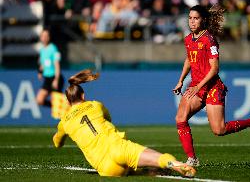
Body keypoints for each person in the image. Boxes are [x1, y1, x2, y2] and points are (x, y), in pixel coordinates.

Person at [172, 5, 250, 167]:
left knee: (219, 130)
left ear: (203, 20)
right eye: (190, 18)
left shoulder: (209, 39)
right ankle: (192, 159)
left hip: (212, 87)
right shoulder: (189, 39)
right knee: (180, 119)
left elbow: (214, 69)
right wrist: (181, 80)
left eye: (195, 18)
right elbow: (189, 59)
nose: (192, 21)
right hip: (196, 87)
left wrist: (198, 86)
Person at [53, 69, 196, 177]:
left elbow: (57, 143)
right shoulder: (95, 105)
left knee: (129, 171)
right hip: (119, 148)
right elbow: (108, 119)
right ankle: (174, 164)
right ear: (83, 95)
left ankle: (144, 171)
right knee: (160, 158)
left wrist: (63, 134)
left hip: (106, 167)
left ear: (68, 101)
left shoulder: (64, 122)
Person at [36, 29, 64, 107]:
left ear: (49, 37)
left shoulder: (53, 49)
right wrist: (40, 72)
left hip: (55, 78)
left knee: (56, 103)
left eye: (46, 36)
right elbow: (43, 63)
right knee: (39, 100)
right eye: (43, 36)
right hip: (47, 79)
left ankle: (65, 106)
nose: (44, 38)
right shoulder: (42, 50)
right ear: (41, 37)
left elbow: (57, 66)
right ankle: (63, 105)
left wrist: (56, 79)